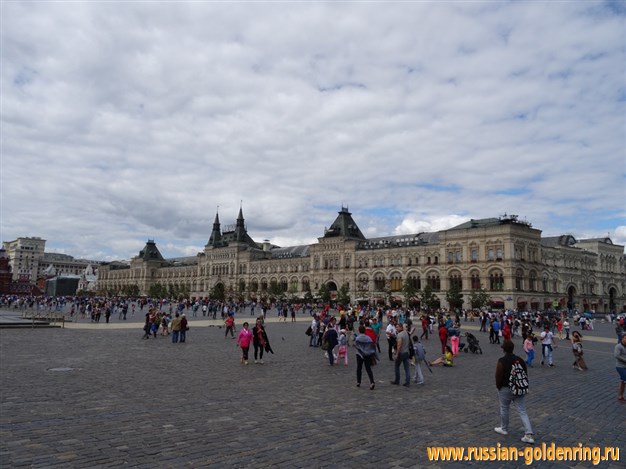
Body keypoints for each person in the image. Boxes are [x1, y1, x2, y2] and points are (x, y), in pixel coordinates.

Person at [494, 340, 534, 444]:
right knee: (522, 410)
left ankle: (504, 428)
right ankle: (529, 434)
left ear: (503, 349)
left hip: (506, 388)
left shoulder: (501, 361)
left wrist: (499, 387)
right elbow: (525, 373)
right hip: (519, 388)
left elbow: (498, 376)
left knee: (504, 408)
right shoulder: (520, 360)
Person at [354, 325, 377, 390]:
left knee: (359, 368)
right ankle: (372, 382)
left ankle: (358, 381)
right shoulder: (368, 338)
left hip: (359, 354)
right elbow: (372, 346)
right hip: (367, 354)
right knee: (368, 368)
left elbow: (356, 346)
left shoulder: (358, 338)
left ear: (359, 330)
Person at [615, 334, 626, 402]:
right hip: (620, 366)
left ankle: (620, 396)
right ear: (622, 338)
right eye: (625, 338)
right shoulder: (618, 346)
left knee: (622, 381)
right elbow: (616, 355)